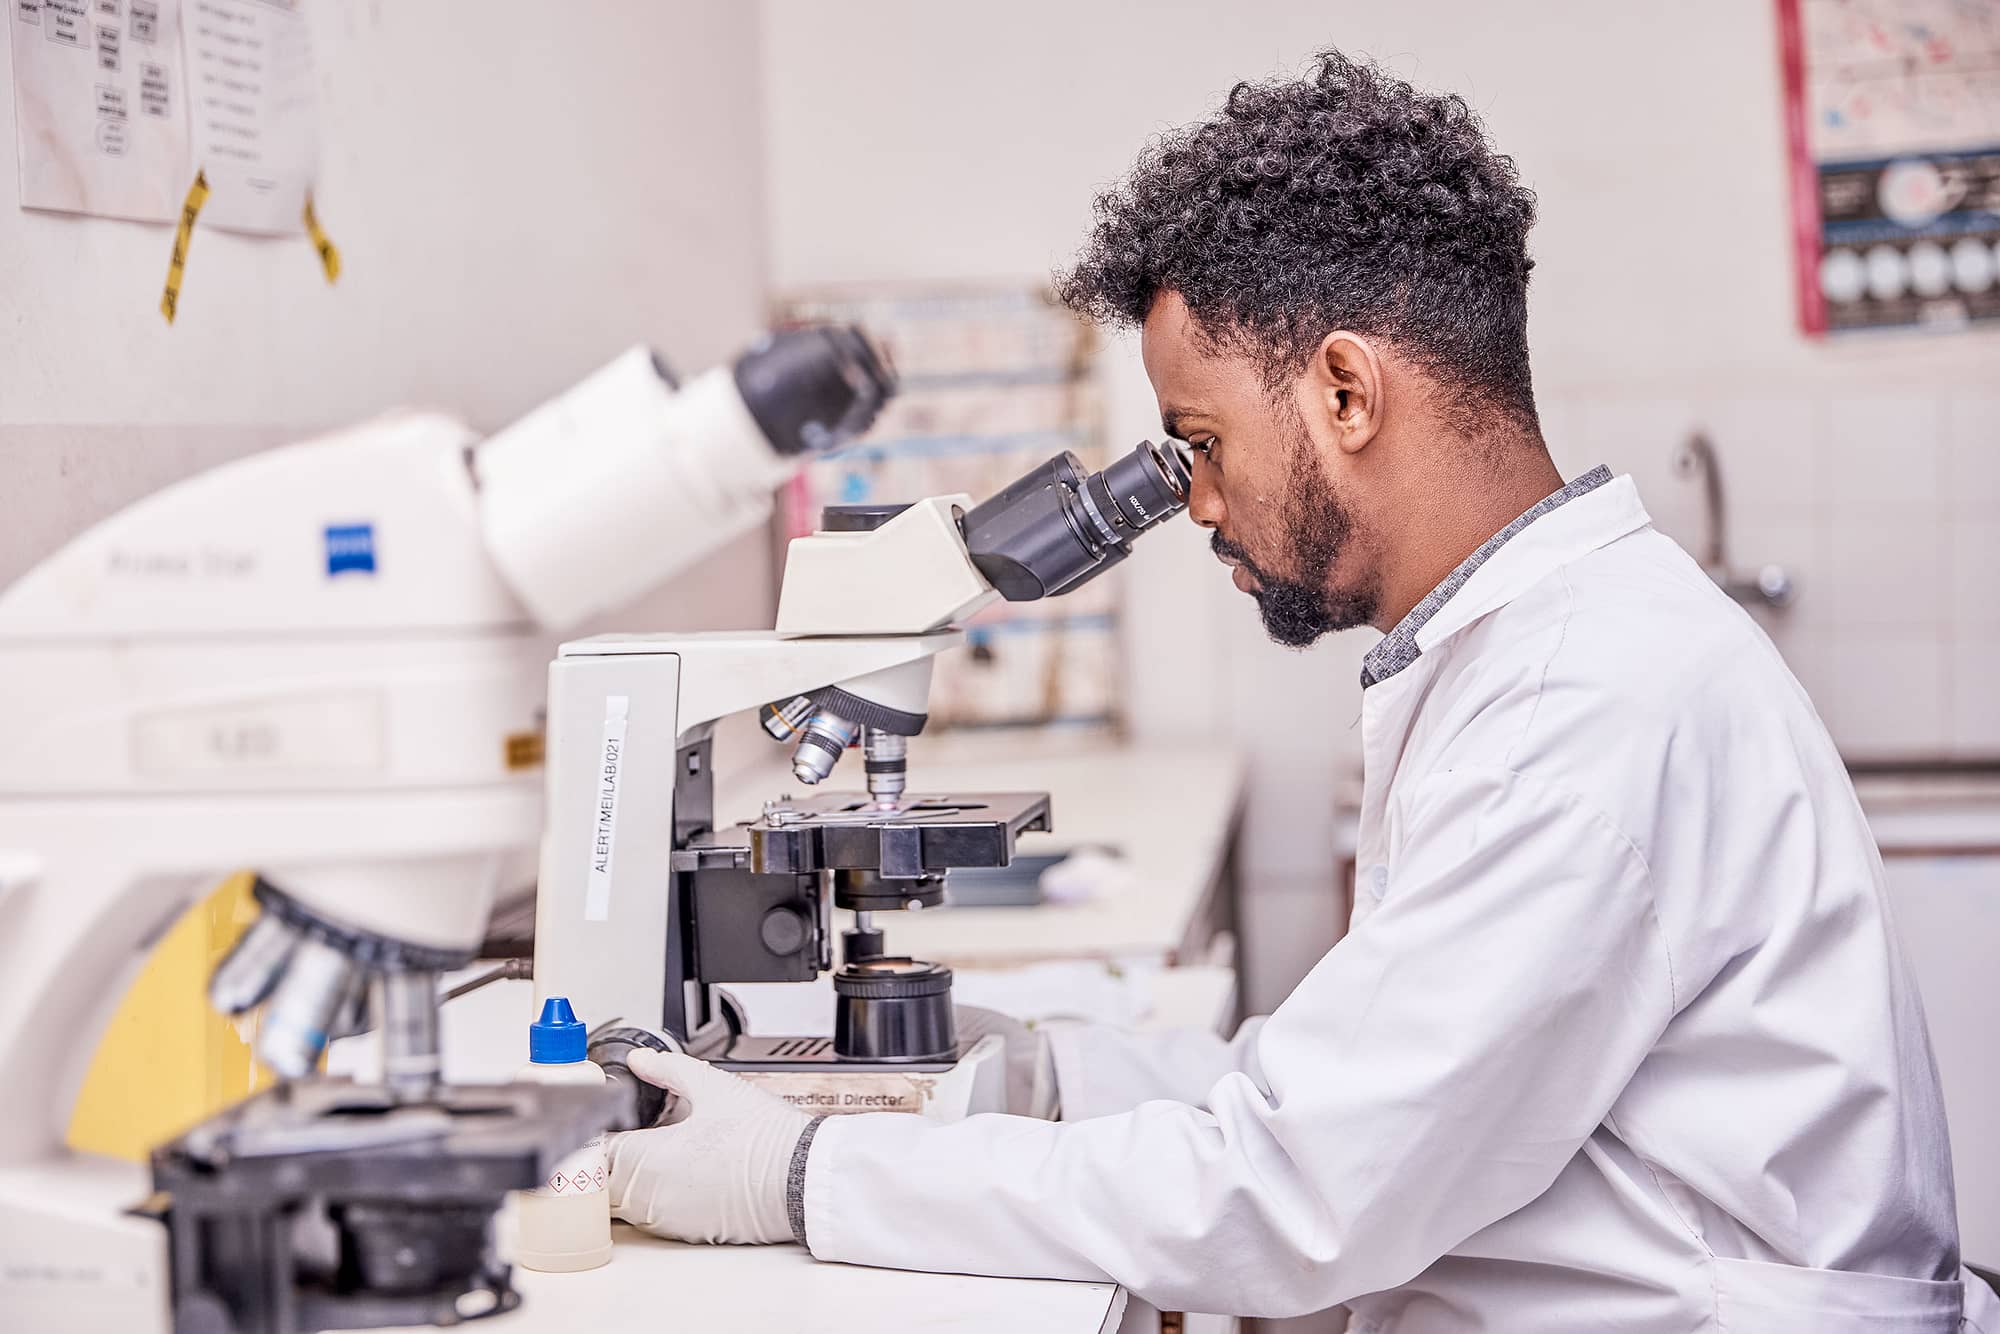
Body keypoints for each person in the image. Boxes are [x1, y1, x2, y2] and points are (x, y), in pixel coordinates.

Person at [605, 49, 1997, 1333]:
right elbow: (1351, 1086)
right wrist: (1035, 1071)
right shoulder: (1522, 649)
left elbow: (1291, 1187)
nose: (1195, 499)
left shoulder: (1584, 704)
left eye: (1199, 441)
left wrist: (801, 1173)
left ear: (1345, 391)